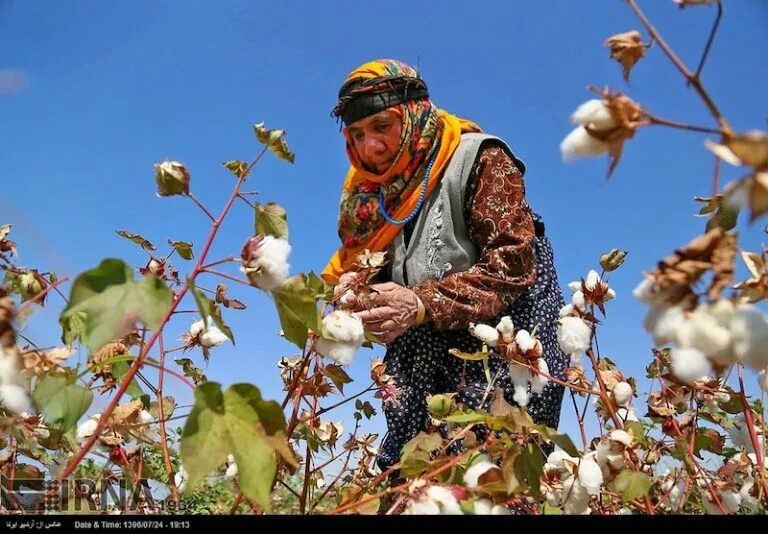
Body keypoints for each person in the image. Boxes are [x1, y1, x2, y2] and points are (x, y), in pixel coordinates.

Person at [321, 59, 568, 475]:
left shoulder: (479, 158)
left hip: (501, 360)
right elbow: (385, 276)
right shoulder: (371, 198)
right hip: (420, 369)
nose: (369, 148)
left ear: (414, 113)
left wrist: (420, 304)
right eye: (357, 134)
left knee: (489, 481)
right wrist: (358, 288)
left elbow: (512, 263)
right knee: (412, 483)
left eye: (382, 125)